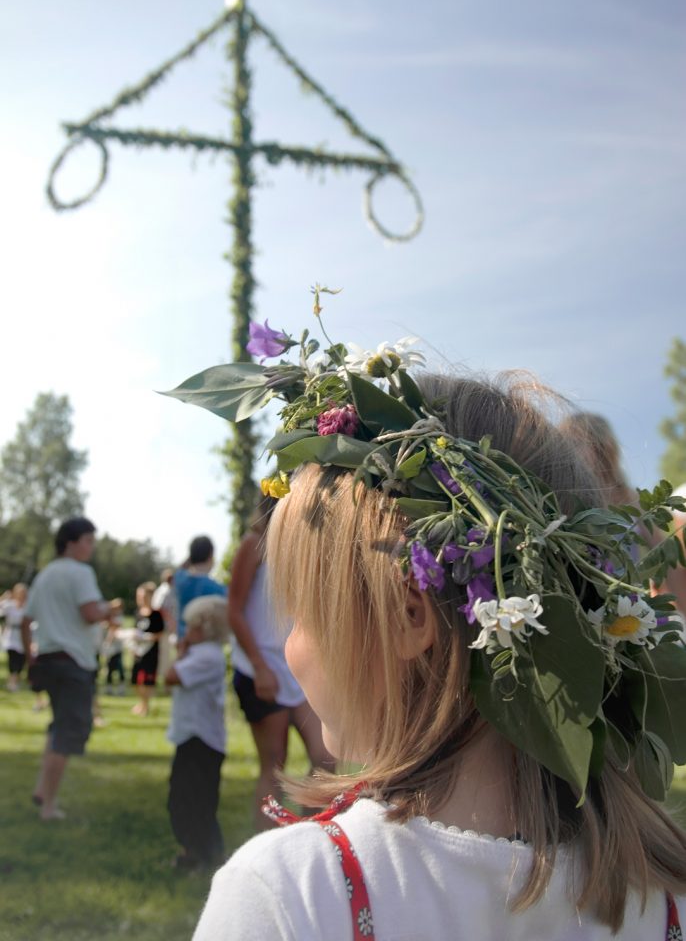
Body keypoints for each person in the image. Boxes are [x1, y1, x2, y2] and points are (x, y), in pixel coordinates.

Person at [186, 321, 686, 940]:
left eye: (307, 614)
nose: (289, 647)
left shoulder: (297, 896)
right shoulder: (662, 898)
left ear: (407, 616)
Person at [228, 493, 333, 830]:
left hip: (295, 668)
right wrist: (259, 666)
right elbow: (233, 611)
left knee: (326, 756)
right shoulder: (254, 543)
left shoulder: (303, 546)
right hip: (259, 667)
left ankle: (309, 842)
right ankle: (266, 853)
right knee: (275, 763)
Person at [21, 517, 114, 820]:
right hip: (73, 662)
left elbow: (24, 620)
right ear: (71, 542)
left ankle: (41, 790)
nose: (91, 547)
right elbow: (89, 613)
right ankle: (49, 806)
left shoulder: (45, 574)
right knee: (67, 732)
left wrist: (29, 656)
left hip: (47, 660)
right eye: (88, 540)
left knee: (58, 725)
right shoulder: (80, 572)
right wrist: (108, 610)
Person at [561, 411, 686, 616]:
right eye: (569, 442)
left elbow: (665, 556)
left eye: (579, 442)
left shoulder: (632, 499)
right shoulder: (565, 499)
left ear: (604, 448)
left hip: (629, 608)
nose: (572, 451)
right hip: (581, 608)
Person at [165, 595, 228, 871]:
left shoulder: (207, 655)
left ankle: (202, 854)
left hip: (200, 738)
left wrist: (181, 651)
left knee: (191, 800)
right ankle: (198, 852)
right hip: (195, 735)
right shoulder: (204, 654)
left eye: (190, 626)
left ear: (204, 628)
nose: (186, 631)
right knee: (190, 798)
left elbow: (170, 677)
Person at [174, 538, 226, 640]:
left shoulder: (180, 579)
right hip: (204, 642)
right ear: (210, 555)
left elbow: (181, 567)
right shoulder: (216, 588)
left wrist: (194, 554)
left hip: (182, 639)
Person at [130, 581, 164, 716]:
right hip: (137, 651)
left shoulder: (156, 614)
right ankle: (141, 702)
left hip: (150, 651)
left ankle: (146, 705)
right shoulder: (137, 613)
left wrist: (146, 638)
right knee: (135, 680)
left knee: (148, 680)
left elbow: (159, 634)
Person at [1, 582, 28, 691]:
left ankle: (15, 680)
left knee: (21, 660)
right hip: (11, 635)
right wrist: (3, 598)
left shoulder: (28, 605)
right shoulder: (10, 604)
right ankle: (12, 681)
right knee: (13, 658)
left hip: (23, 634)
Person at [152, 569, 176, 684]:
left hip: (164, 627)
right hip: (164, 628)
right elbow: (160, 609)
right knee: (165, 656)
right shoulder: (165, 591)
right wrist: (170, 621)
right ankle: (165, 681)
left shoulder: (163, 590)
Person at [103, 598, 126, 695]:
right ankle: (109, 688)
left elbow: (115, 626)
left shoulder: (118, 617)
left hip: (117, 647)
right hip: (110, 647)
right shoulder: (109, 616)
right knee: (109, 668)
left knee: (119, 667)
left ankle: (121, 688)